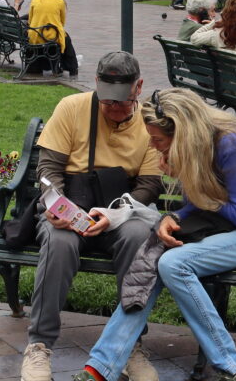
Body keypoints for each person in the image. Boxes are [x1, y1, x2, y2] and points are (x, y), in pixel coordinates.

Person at [70, 87, 236, 381]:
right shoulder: (197, 146)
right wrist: (173, 217)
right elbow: (199, 207)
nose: (154, 146)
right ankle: (99, 367)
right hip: (222, 231)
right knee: (151, 258)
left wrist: (186, 174)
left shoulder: (231, 142)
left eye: (158, 140)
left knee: (173, 263)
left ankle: (234, 368)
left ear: (182, 133)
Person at [20, 52, 163, 381]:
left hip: (123, 208)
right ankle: (39, 345)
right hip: (71, 204)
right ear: (96, 83)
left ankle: (129, 345)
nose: (113, 109)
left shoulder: (149, 120)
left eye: (122, 102)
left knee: (139, 238)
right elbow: (49, 169)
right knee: (59, 242)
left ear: (139, 87)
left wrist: (117, 214)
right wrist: (57, 207)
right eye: (107, 101)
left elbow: (150, 184)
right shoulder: (71, 107)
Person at [24, 0, 79, 76]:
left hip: (35, 36)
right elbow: (62, 23)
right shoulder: (60, 2)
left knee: (64, 37)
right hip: (52, 36)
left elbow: (30, 20)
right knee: (66, 38)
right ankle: (72, 67)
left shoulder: (34, 0)